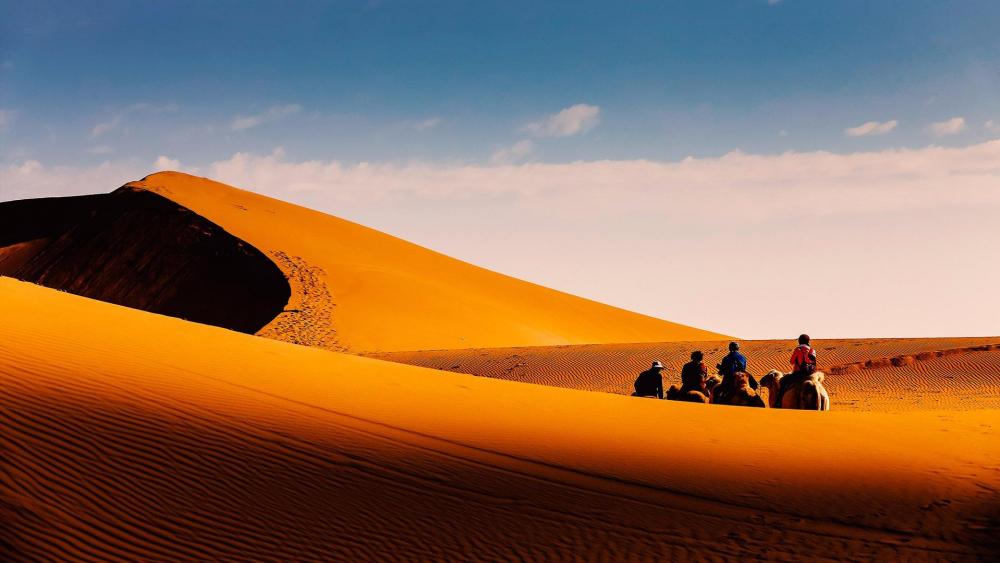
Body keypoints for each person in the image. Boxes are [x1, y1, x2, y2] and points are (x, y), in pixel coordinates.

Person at [774, 334, 818, 408]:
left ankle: (778, 402)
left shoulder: (798, 349)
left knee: (783, 381)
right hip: (811, 374)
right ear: (808, 341)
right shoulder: (812, 350)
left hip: (798, 374)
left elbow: (791, 361)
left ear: (799, 341)